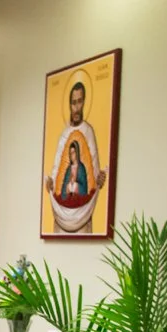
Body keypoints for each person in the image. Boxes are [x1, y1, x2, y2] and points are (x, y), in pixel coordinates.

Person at [44, 80, 107, 233]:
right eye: (73, 103)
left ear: (84, 102)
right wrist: (52, 184)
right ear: (69, 105)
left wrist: (98, 180)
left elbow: (92, 177)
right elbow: (57, 174)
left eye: (79, 102)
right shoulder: (64, 135)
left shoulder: (88, 131)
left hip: (82, 215)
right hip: (61, 217)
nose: (76, 107)